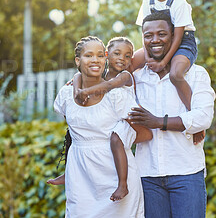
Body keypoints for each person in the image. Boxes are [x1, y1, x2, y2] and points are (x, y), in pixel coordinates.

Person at [48, 36, 150, 217]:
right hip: (81, 178)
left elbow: (146, 134)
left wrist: (118, 135)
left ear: (105, 59)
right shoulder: (66, 94)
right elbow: (74, 131)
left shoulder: (117, 95)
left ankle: (123, 184)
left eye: (99, 56)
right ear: (78, 61)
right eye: (88, 55)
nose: (95, 60)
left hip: (115, 178)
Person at [129, 12, 216, 218]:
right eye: (148, 35)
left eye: (162, 34)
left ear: (174, 36)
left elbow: (203, 117)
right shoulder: (135, 79)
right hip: (147, 175)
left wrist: (158, 122)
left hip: (186, 173)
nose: (155, 40)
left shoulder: (195, 74)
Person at [133, 0, 205, 144]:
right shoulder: (146, 3)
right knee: (128, 63)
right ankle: (129, 110)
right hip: (156, 43)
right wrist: (148, 57)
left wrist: (163, 61)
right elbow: (145, 34)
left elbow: (178, 36)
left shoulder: (178, 3)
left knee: (175, 74)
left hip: (182, 43)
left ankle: (195, 120)